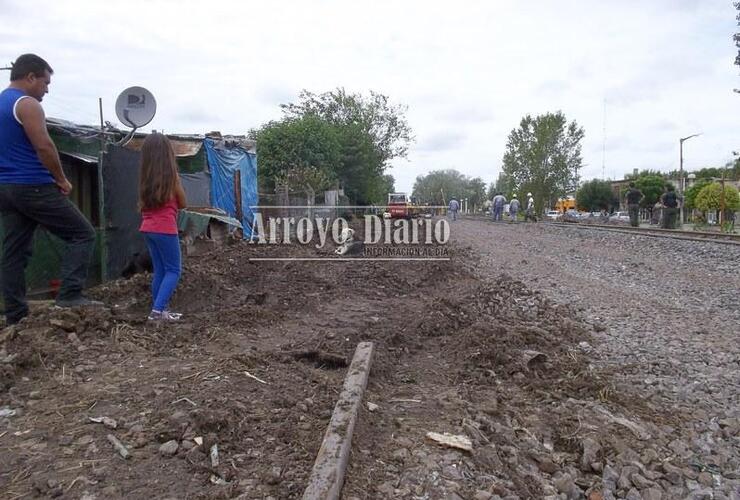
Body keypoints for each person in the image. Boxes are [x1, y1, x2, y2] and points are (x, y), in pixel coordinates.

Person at [0, 54, 100, 325]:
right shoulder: (27, 104)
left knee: (14, 251)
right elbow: (44, 146)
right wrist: (61, 179)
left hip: (5, 189)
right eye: (45, 82)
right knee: (82, 234)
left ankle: (15, 314)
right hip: (32, 184)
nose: (47, 89)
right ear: (30, 77)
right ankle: (69, 294)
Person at [138, 133, 187, 321]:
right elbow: (183, 203)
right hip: (165, 228)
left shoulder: (146, 178)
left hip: (148, 228)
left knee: (160, 270)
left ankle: (161, 310)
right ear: (167, 154)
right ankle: (157, 312)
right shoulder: (172, 178)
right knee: (174, 270)